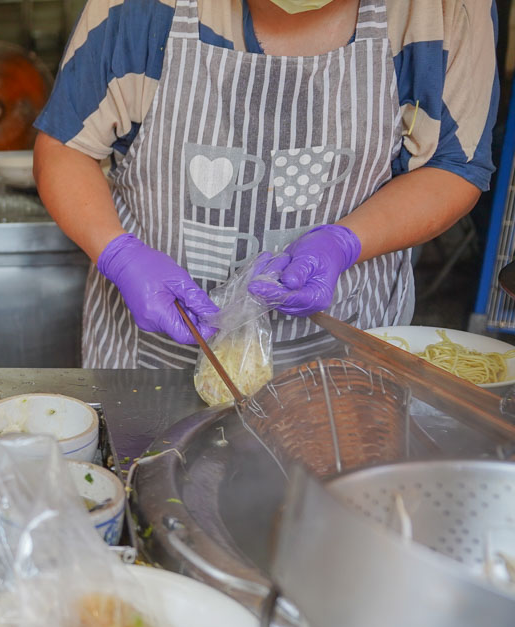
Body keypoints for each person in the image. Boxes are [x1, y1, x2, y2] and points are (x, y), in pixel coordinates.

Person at [33, 0, 498, 369]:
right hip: (148, 360)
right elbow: (66, 146)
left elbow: (455, 165)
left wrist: (345, 242)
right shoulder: (140, 8)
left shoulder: (442, 9)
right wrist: (118, 253)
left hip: (348, 358)